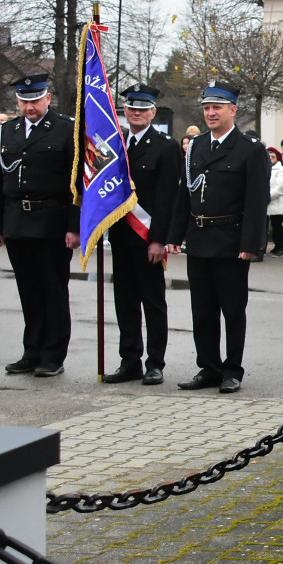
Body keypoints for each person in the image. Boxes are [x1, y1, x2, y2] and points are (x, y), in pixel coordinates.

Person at [167, 81, 269, 394]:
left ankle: (232, 370)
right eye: (207, 108)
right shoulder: (195, 146)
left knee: (232, 310)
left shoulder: (250, 150)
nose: (211, 113)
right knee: (202, 310)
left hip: (230, 242)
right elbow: (185, 194)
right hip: (199, 240)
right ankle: (208, 368)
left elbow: (256, 202)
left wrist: (251, 245)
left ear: (233, 110)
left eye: (217, 108)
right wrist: (175, 234)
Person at [0, 74, 80, 378]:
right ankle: (32, 351)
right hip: (16, 221)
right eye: (24, 101)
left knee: (52, 290)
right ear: (17, 101)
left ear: (48, 99)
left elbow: (76, 184)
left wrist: (74, 226)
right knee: (28, 291)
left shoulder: (66, 130)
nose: (30, 106)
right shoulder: (7, 131)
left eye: (35, 100)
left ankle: (53, 354)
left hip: (52, 221)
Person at [103, 84, 181, 386]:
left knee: (152, 302)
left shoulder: (166, 146)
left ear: (152, 112)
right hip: (121, 235)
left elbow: (167, 197)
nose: (136, 113)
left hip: (148, 237)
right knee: (124, 301)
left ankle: (155, 363)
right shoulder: (116, 144)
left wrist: (159, 239)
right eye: (131, 108)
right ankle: (129, 360)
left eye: (142, 108)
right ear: (125, 112)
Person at [266, 146, 283, 257]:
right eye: (268, 156)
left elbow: (281, 187)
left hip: (275, 202)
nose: (270, 158)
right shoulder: (263, 167)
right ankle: (261, 247)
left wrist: (267, 197)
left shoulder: (281, 169)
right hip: (263, 203)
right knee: (262, 228)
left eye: (273, 156)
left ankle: (278, 246)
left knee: (277, 228)